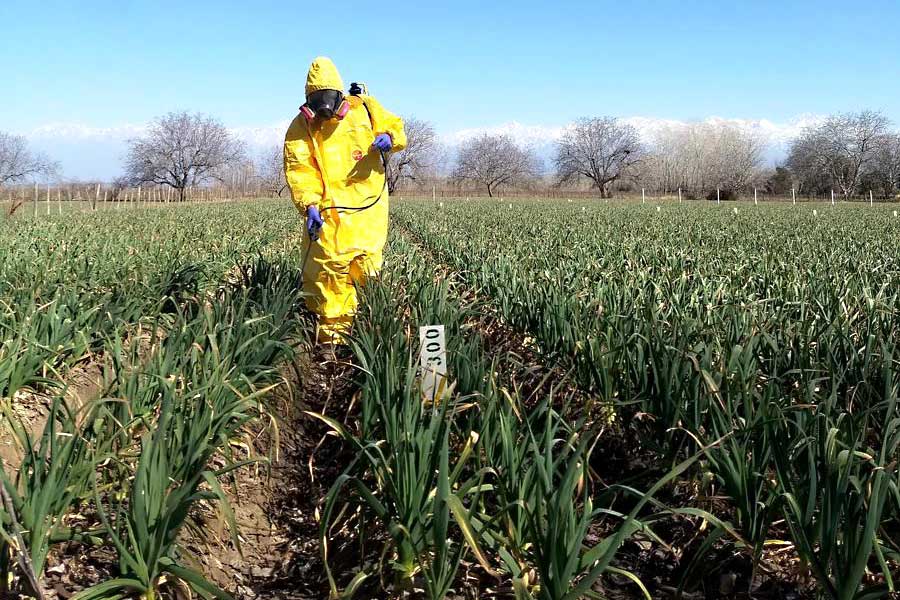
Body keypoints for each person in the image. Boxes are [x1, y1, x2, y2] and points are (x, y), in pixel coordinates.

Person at [284, 56, 406, 345]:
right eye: (317, 101)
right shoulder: (301, 127)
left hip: (368, 207)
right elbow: (300, 168)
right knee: (328, 273)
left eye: (328, 99)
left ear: (340, 95)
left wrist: (390, 137)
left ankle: (368, 326)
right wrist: (310, 203)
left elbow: (396, 127)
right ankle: (332, 342)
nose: (324, 107)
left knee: (367, 267)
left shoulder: (365, 107)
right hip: (329, 210)